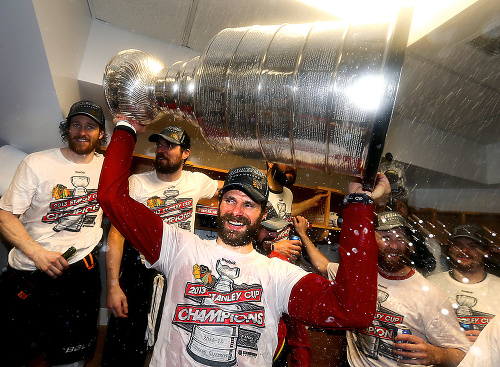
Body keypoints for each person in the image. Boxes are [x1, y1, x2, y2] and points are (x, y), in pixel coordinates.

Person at [97, 115, 391, 366]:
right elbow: (111, 197)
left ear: (263, 214)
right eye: (231, 200)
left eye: (249, 205)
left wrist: (359, 203)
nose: (237, 212)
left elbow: (354, 311)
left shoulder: (277, 274)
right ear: (219, 203)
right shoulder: (180, 246)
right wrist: (127, 126)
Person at [101, 125, 223, 367]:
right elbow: (116, 235)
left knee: (171, 344)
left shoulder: (197, 182)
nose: (162, 150)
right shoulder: (137, 183)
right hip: (139, 273)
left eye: (170, 145)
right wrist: (113, 285)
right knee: (124, 346)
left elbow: (227, 188)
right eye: (159, 144)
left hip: (178, 275)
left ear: (186, 153)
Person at [0, 100, 106, 367]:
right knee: (14, 351)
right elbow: (4, 215)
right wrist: (38, 254)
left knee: (70, 358)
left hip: (79, 276)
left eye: (90, 127)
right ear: (67, 129)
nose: (82, 132)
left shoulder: (109, 169)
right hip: (29, 271)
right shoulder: (37, 163)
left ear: (101, 134)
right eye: (76, 125)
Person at [299, 210, 470, 366]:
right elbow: (323, 265)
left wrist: (437, 354)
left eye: (401, 238)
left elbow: (464, 355)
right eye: (386, 237)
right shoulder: (357, 276)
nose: (394, 246)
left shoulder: (432, 297)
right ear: (370, 240)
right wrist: (302, 234)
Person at [254, 211, 311, 367]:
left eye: (276, 229)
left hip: (275, 353)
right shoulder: (229, 260)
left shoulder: (280, 262)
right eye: (266, 228)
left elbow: (294, 321)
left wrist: (301, 361)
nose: (273, 234)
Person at [428, 223, 500, 343]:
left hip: (485, 361)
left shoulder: (498, 288)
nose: (464, 250)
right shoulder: (431, 284)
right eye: (458, 245)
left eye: (472, 246)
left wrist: (490, 341)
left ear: (486, 252)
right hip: (440, 360)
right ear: (450, 248)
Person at [265, 161, 328, 262]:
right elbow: (239, 238)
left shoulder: (288, 193)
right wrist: (272, 248)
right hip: (262, 263)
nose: (293, 167)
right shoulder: (257, 192)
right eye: (287, 160)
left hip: (281, 264)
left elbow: (286, 210)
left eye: (296, 164)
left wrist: (312, 202)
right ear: (271, 163)